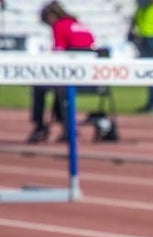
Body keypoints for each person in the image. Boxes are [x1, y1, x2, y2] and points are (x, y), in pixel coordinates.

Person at [28, 2, 96, 144]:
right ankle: (66, 125)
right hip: (91, 78)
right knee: (60, 87)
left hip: (73, 77)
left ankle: (40, 126)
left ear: (51, 17)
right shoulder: (78, 24)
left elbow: (58, 54)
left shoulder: (59, 26)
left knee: (39, 87)